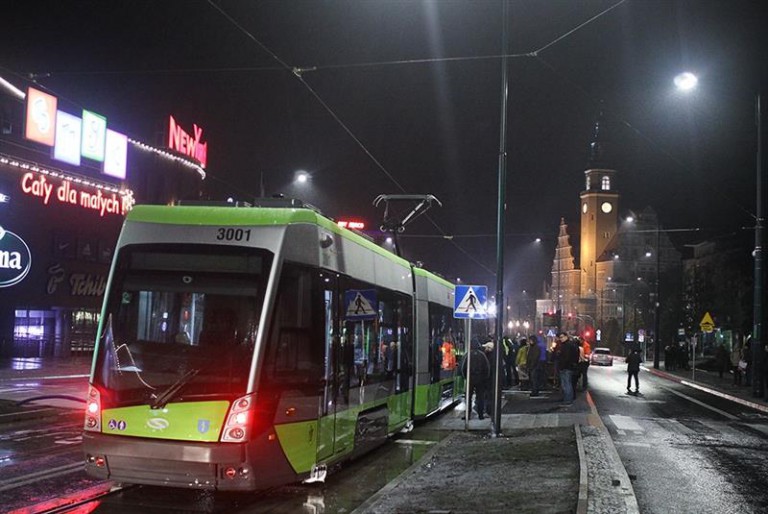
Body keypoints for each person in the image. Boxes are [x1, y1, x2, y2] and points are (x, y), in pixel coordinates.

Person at [461, 338, 490, 419]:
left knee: (468, 398)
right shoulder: (482, 355)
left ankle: (468, 415)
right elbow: (487, 368)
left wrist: (466, 377)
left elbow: (463, 368)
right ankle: (480, 415)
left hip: (470, 379)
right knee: (480, 397)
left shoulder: (468, 355)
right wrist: (485, 378)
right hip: (480, 379)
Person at [556, 332, 579, 404]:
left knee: (567, 383)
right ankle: (567, 398)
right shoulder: (569, 345)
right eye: (560, 337)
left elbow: (566, 357)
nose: (561, 339)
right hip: (567, 366)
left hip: (566, 367)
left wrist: (562, 365)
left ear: (566, 337)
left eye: (562, 337)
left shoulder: (567, 345)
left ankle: (568, 399)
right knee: (566, 383)